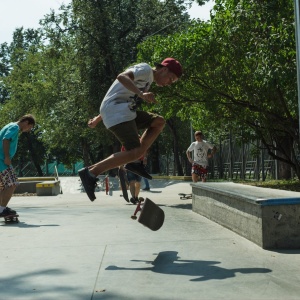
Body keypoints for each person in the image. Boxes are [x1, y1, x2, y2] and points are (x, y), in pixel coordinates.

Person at [79, 57, 182, 201]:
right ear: (164, 69)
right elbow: (122, 77)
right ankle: (91, 173)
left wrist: (97, 119)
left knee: (158, 122)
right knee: (134, 152)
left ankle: (136, 161)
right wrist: (141, 94)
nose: (169, 84)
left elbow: (116, 93)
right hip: (117, 112)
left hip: (122, 111)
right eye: (170, 79)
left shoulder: (148, 81)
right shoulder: (145, 70)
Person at [0, 115, 36, 217]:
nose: (29, 130)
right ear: (26, 122)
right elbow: (6, 140)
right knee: (12, 184)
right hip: (2, 161)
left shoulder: (10, 125)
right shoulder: (15, 127)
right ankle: (1, 210)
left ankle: (1, 208)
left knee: (3, 186)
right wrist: (7, 157)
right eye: (30, 127)